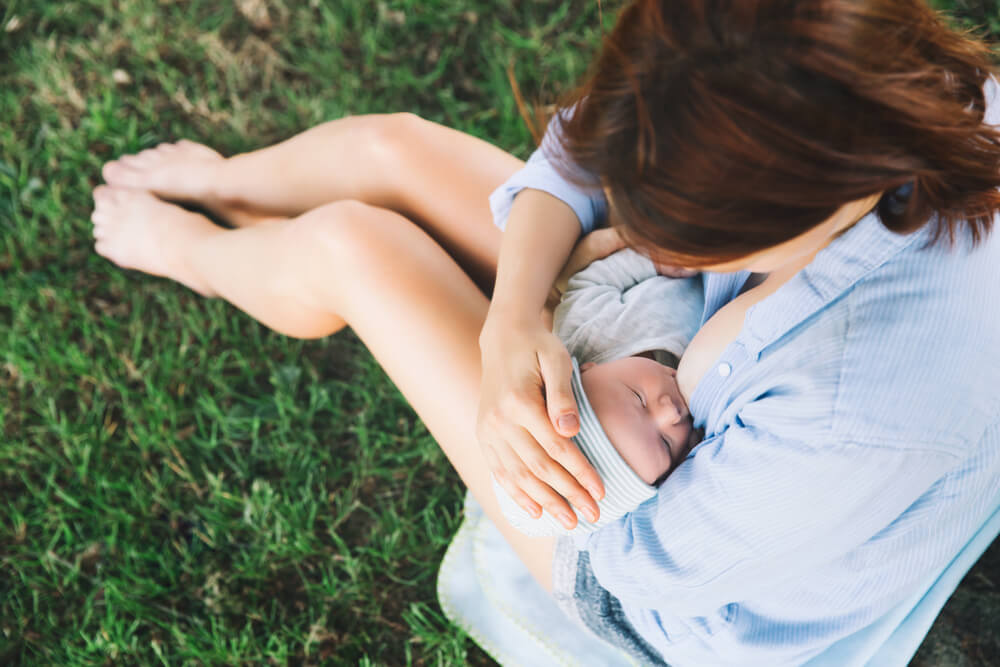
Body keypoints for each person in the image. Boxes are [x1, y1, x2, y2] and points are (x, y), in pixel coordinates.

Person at [90, 0, 1000, 664]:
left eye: (671, 230)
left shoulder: (856, 404)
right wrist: (510, 322)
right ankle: (224, 182)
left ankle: (188, 251)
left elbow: (652, 567)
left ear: (773, 223)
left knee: (354, 246)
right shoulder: (858, 75)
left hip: (665, 572)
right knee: (394, 150)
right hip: (665, 331)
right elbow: (576, 154)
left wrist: (544, 418)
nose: (631, 229)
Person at [495, 247, 704, 537]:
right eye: (666, 444)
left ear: (585, 370)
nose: (672, 413)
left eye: (638, 398)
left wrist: (653, 262)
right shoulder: (702, 415)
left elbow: (593, 281)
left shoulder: (587, 328)